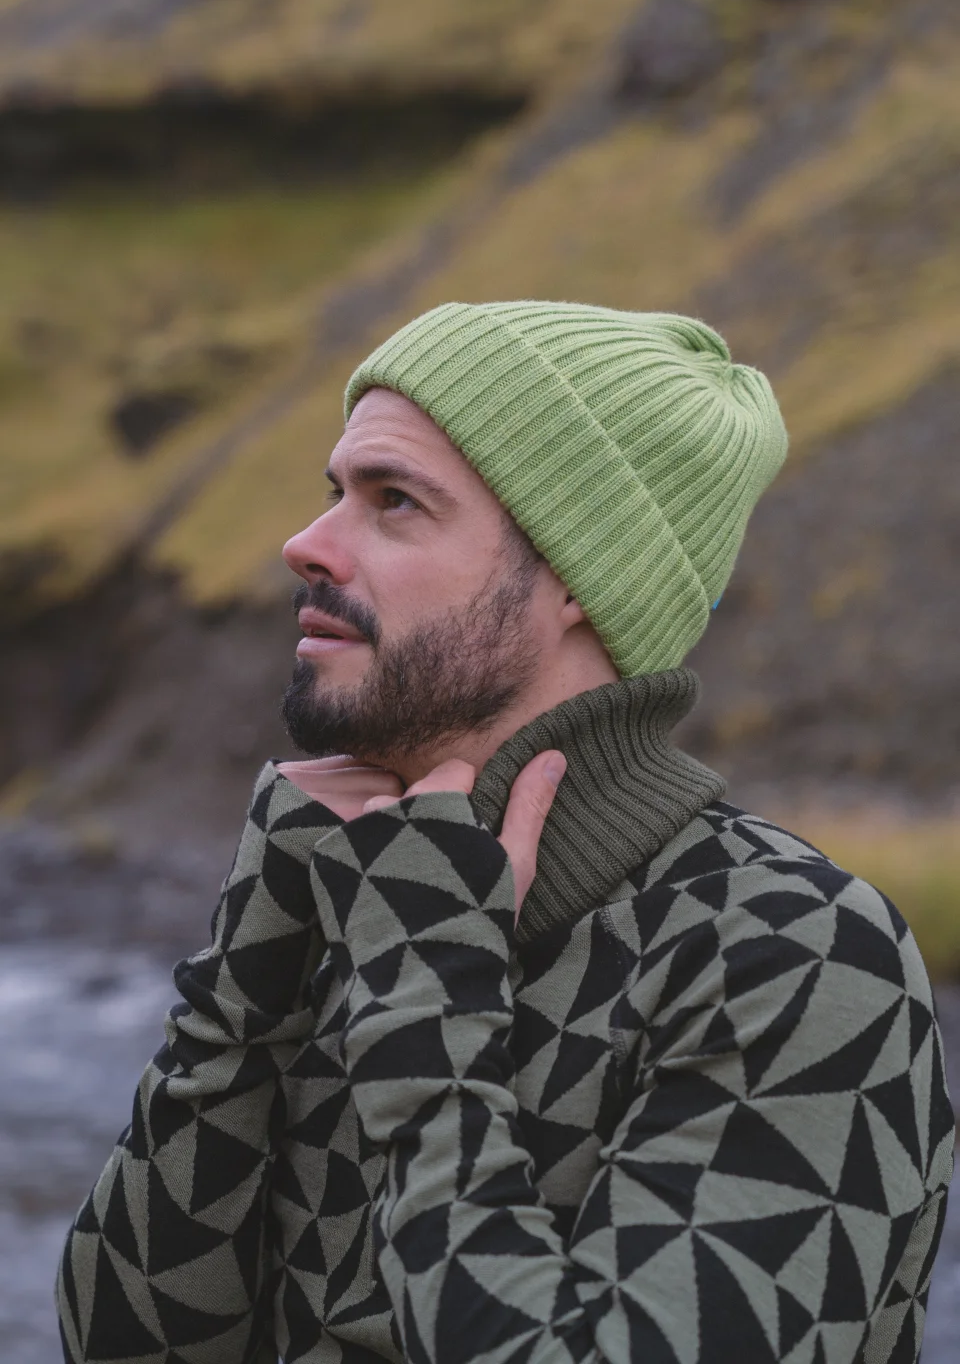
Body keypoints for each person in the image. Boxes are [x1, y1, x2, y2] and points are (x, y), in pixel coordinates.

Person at [57, 302, 953, 1364]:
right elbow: (125, 1348)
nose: (305, 545)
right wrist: (241, 994)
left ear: (581, 572)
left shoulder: (795, 956)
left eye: (394, 501)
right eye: (334, 493)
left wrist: (431, 997)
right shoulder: (357, 904)